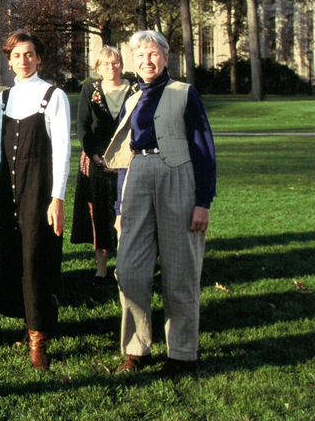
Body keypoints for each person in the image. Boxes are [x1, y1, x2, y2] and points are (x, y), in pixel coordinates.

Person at [103, 30, 216, 377]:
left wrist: (202, 201)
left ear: (166, 58)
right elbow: (123, 153)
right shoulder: (132, 97)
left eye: (153, 54)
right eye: (140, 56)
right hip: (137, 177)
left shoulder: (184, 93)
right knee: (130, 270)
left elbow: (202, 147)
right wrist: (120, 207)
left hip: (177, 176)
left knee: (180, 271)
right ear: (133, 61)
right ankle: (136, 348)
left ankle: (182, 353)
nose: (146, 61)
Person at [0, 31, 71, 372]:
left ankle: (39, 338)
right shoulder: (4, 98)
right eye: (17, 55)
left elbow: (63, 150)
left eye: (30, 54)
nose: (23, 60)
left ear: (39, 59)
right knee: (16, 259)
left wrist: (57, 198)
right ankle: (28, 320)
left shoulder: (53, 95)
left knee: (36, 259)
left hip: (39, 191)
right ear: (9, 60)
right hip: (9, 190)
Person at [70, 46, 135, 288]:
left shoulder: (134, 89)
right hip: (97, 161)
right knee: (99, 215)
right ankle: (101, 270)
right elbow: (83, 128)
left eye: (116, 62)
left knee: (128, 213)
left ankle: (127, 266)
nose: (111, 67)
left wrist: (125, 159)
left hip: (129, 161)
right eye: (106, 64)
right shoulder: (90, 89)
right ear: (98, 68)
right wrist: (98, 158)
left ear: (122, 64)